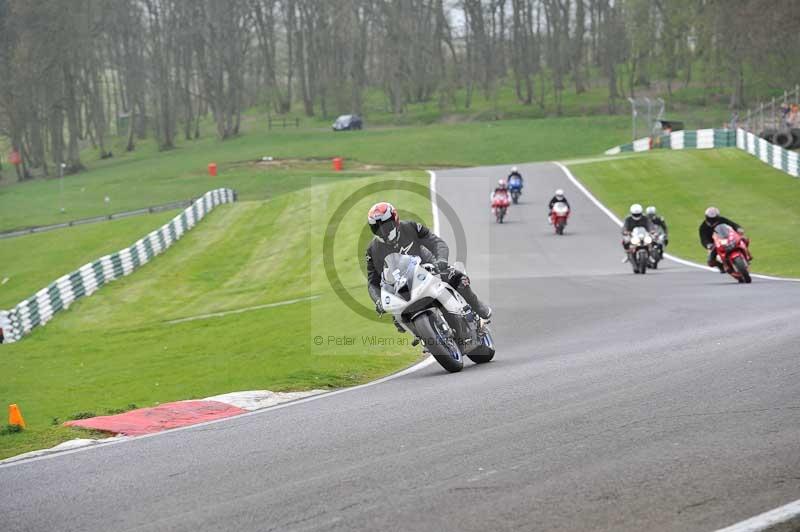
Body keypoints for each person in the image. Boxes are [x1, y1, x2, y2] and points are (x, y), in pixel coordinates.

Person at [365, 202, 492, 321]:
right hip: (402, 287)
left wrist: (441, 260)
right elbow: (372, 282)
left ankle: (477, 306)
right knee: (397, 318)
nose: (383, 232)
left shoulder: (411, 227)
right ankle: (426, 337)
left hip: (427, 269)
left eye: (386, 226)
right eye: (377, 228)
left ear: (395, 220)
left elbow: (436, 242)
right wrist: (378, 301)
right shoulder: (373, 250)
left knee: (457, 278)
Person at [698, 206, 750, 273]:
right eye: (710, 218)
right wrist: (708, 244)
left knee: (744, 239)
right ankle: (721, 266)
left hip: (726, 237)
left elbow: (732, 224)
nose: (712, 220)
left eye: (714, 218)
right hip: (714, 243)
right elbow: (703, 238)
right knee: (710, 261)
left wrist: (738, 228)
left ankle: (747, 255)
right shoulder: (703, 227)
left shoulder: (722, 220)